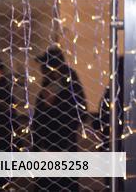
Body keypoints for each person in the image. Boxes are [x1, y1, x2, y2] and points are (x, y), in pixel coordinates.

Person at [31, 46, 87, 192]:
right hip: (48, 148)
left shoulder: (67, 81)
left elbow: (80, 112)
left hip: (62, 147)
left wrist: (52, 105)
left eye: (46, 64)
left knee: (61, 184)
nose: (43, 68)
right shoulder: (50, 81)